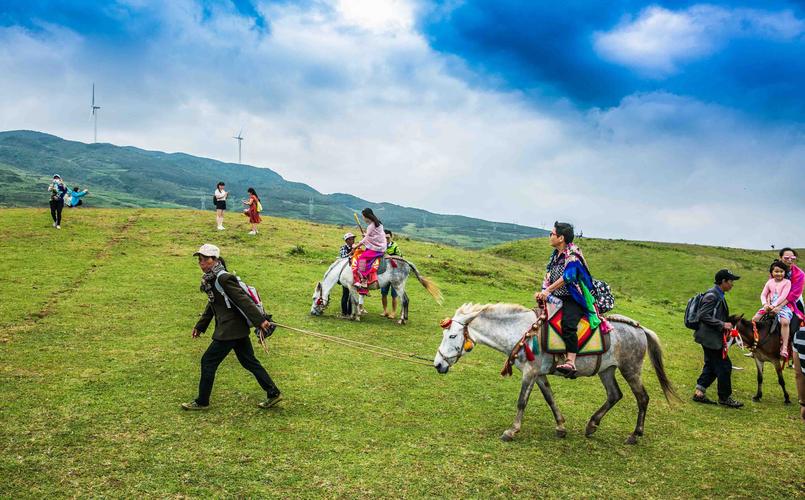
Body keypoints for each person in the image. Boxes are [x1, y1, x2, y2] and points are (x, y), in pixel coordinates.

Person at [182, 244, 282, 411]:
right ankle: (273, 393)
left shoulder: (223, 278)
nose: (201, 263)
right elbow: (212, 303)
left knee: (208, 361)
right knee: (249, 362)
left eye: (205, 259)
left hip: (229, 330)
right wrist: (201, 325)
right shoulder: (211, 279)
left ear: (215, 260)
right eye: (199, 260)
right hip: (236, 330)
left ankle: (202, 401)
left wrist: (260, 321)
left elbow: (243, 299)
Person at [534, 221, 602, 376]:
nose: (549, 236)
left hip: (574, 298)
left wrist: (549, 290)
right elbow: (548, 276)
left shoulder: (573, 254)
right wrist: (543, 292)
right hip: (557, 297)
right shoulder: (555, 256)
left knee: (568, 324)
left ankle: (571, 361)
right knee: (540, 319)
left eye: (552, 234)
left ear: (561, 238)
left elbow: (568, 277)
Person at [692, 269, 743, 408]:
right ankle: (725, 397)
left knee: (711, 365)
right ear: (723, 281)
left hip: (710, 336)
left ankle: (699, 392)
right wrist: (722, 324)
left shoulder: (718, 294)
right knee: (724, 366)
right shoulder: (712, 295)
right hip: (710, 338)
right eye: (731, 281)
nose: (732, 284)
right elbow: (703, 315)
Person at [752, 260, 793, 357]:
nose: (779, 273)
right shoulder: (769, 282)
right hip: (768, 305)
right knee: (754, 319)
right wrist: (765, 304)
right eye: (776, 271)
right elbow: (763, 294)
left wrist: (774, 305)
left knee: (785, 322)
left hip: (781, 307)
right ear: (772, 272)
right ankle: (754, 343)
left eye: (781, 271)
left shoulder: (787, 282)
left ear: (785, 272)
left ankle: (784, 347)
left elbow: (783, 296)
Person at [351, 208, 387, 295]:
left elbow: (365, 240)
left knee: (362, 260)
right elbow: (375, 236)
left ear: (366, 216)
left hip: (376, 249)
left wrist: (356, 246)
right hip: (381, 247)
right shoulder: (379, 223)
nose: (363, 218)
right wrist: (367, 235)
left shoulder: (370, 226)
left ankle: (364, 280)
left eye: (363, 216)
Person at [381, 229, 402, 318]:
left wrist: (390, 256)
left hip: (394, 273)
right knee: (383, 293)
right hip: (384, 273)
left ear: (391, 237)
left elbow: (400, 257)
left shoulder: (395, 246)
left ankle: (393, 312)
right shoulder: (381, 246)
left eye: (388, 237)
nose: (386, 239)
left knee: (394, 295)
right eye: (384, 237)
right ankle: (385, 311)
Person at [339, 232, 355, 317]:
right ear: (346, 240)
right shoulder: (343, 248)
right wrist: (351, 253)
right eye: (350, 239)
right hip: (346, 274)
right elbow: (343, 257)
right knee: (345, 293)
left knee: (352, 294)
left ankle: (350, 311)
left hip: (354, 273)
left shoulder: (356, 247)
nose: (352, 240)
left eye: (353, 238)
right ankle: (344, 312)